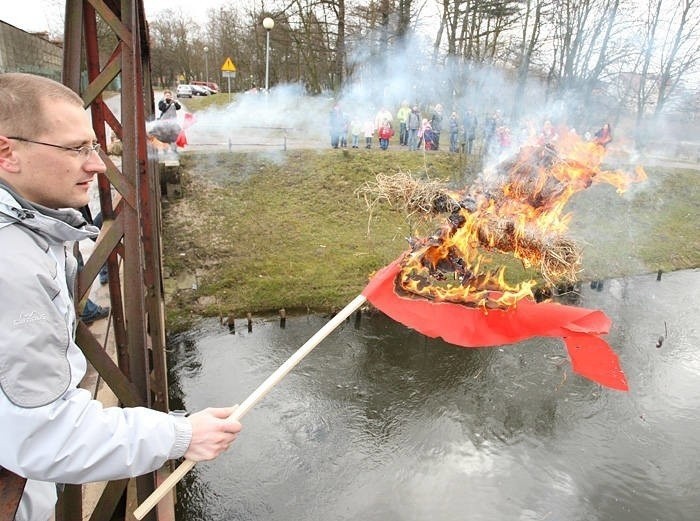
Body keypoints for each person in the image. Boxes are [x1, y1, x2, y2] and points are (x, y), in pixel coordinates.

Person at [0, 72, 242, 521]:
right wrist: (182, 435)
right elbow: (44, 434)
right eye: (76, 149)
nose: (95, 165)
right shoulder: (11, 265)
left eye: (93, 147)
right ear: (6, 151)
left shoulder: (30, 235)